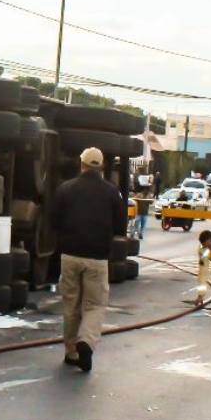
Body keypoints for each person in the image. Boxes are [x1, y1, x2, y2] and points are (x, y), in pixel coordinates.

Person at [48, 147, 128, 373]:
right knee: (95, 305)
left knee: (71, 305)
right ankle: (86, 342)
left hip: (70, 255)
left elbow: (52, 220)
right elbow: (120, 227)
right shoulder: (112, 193)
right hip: (97, 258)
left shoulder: (66, 189)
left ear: (81, 164)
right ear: (101, 167)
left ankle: (71, 351)